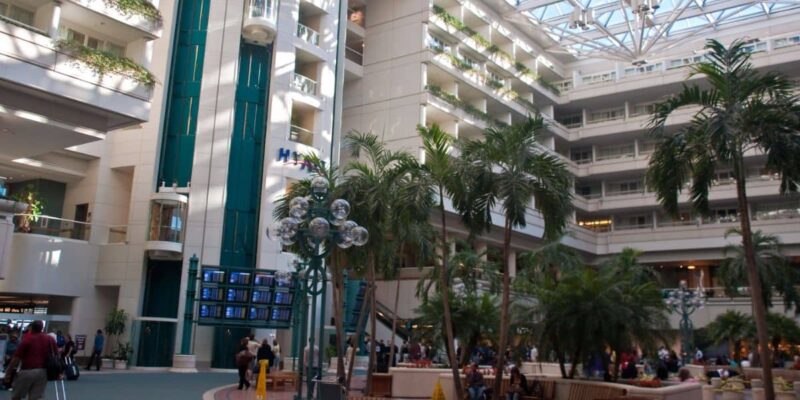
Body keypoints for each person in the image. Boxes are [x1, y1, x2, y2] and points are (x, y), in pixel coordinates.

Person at [2, 320, 57, 400]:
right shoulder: (50, 339)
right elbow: (56, 354)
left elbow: (17, 358)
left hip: (27, 371)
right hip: (43, 372)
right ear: (42, 328)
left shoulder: (27, 339)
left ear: (31, 328)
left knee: (16, 395)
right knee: (35, 397)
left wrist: (8, 372)